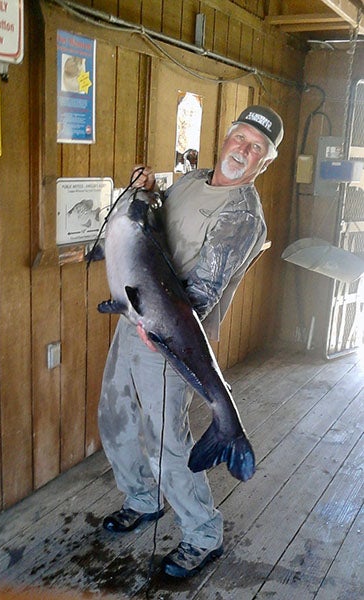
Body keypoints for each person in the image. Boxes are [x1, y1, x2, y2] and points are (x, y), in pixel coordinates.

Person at [98, 105, 284, 578]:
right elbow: (161, 229)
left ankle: (203, 533)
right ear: (226, 137)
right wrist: (150, 195)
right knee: (114, 414)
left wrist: (151, 322)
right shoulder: (193, 180)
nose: (243, 150)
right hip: (134, 312)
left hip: (169, 337)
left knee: (166, 443)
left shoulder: (243, 215)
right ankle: (142, 500)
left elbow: (198, 296)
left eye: (256, 148)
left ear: (265, 161)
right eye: (240, 138)